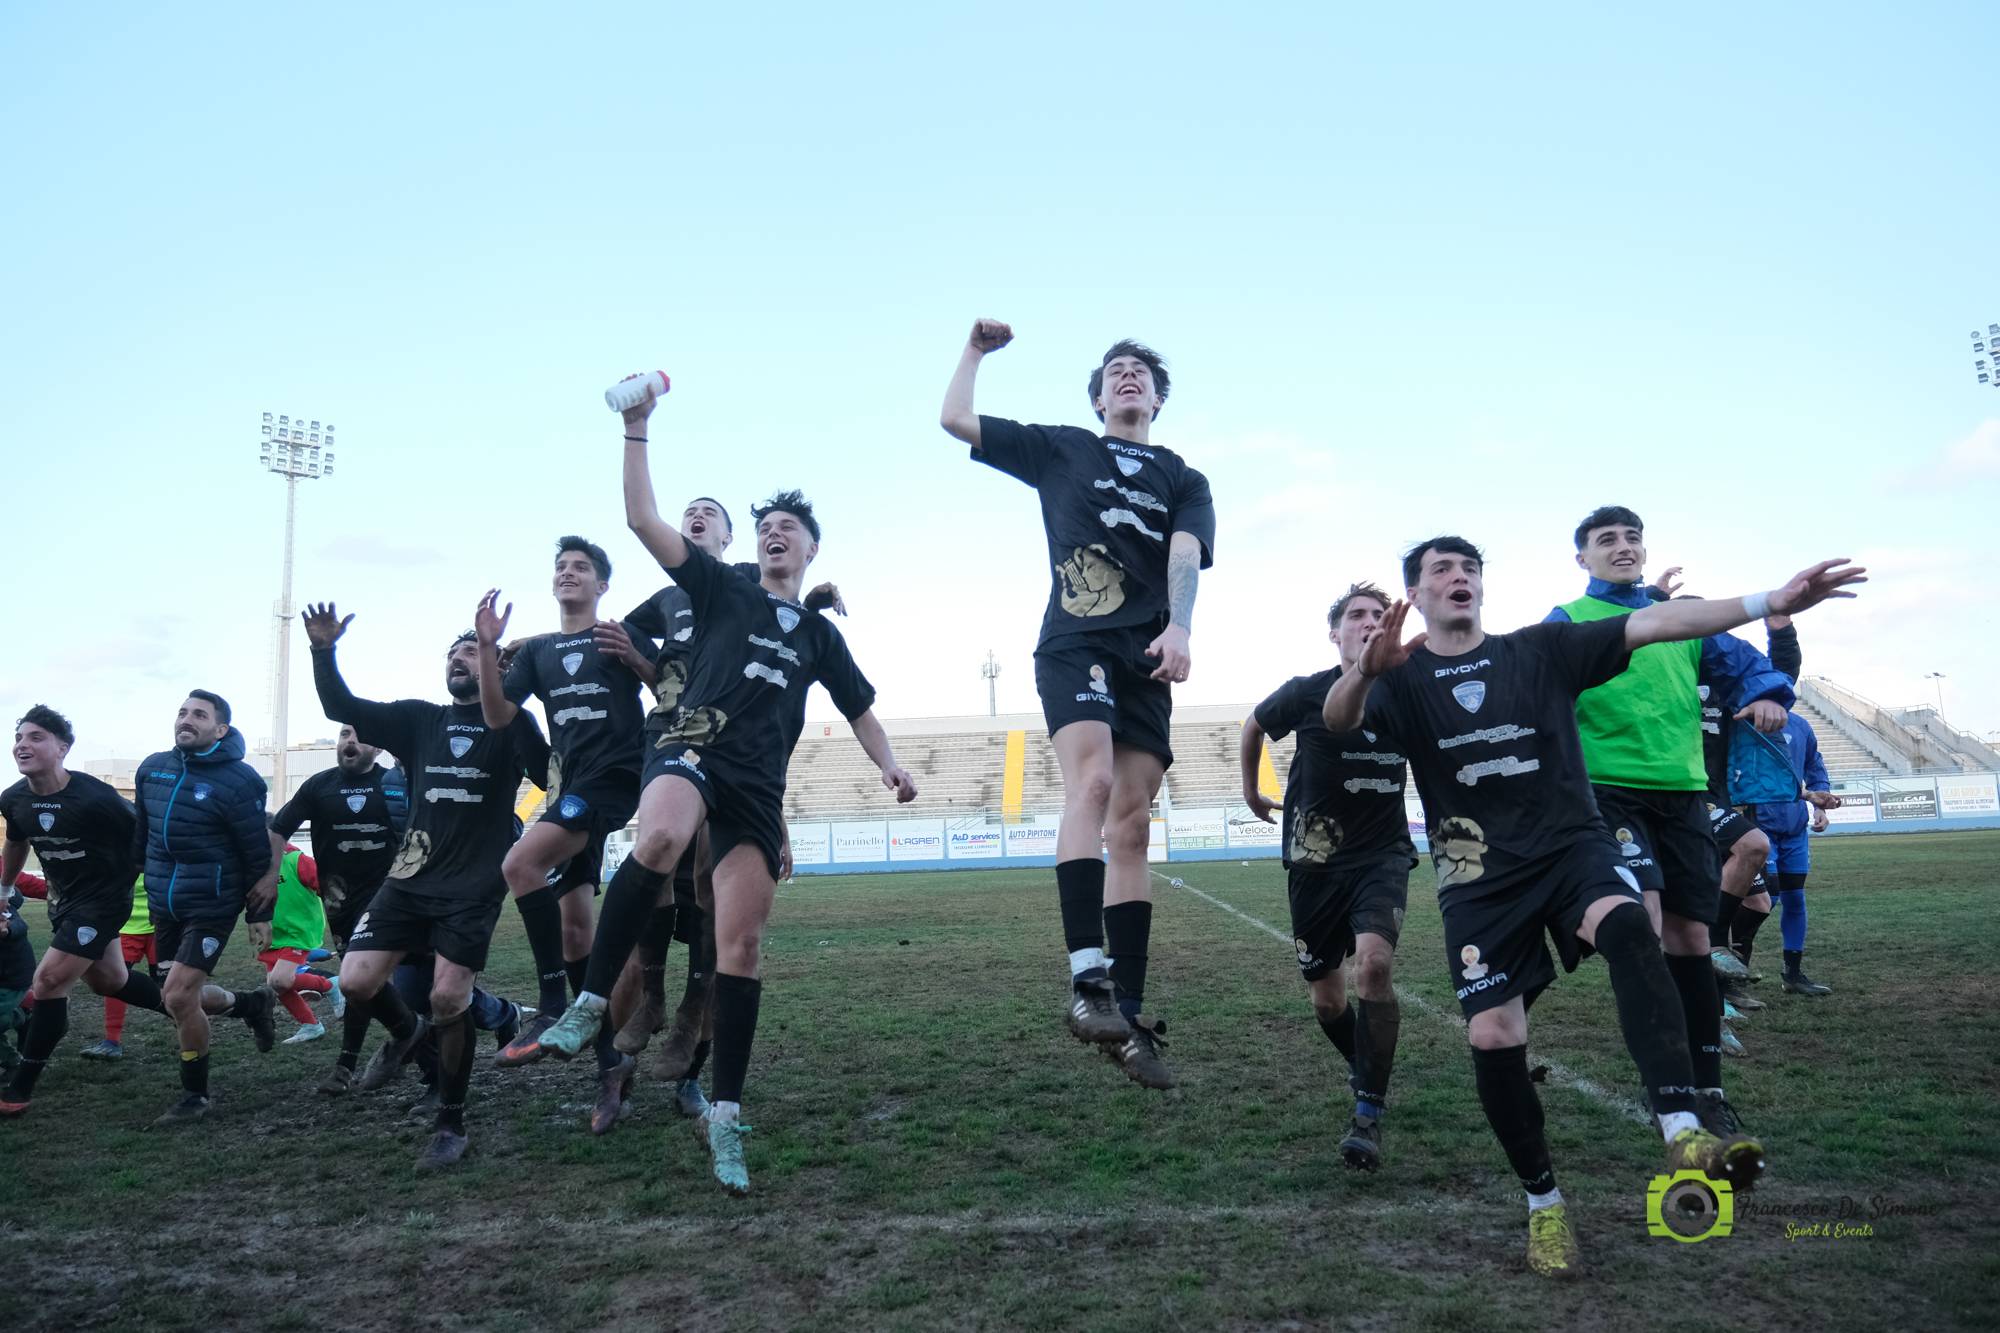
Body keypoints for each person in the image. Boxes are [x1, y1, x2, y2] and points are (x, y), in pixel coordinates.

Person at [1321, 537, 1865, 1278]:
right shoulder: (1399, 674)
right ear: (1415, 592)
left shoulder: (1540, 649)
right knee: (1492, 1033)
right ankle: (1544, 1205)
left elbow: (1654, 624)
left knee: (1630, 926)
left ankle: (1683, 1128)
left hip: (1571, 844)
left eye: (1470, 567)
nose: (1460, 577)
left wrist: (1769, 603)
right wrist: (1361, 669)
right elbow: (1341, 718)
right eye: (1442, 569)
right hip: (1478, 874)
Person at [531, 391, 917, 1198]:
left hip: (754, 788)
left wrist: (889, 765)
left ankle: (727, 1117)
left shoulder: (819, 634)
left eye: (792, 527)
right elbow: (642, 519)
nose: (777, 532)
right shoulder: (718, 589)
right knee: (662, 837)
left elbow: (860, 710)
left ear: (810, 548)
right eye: (767, 524)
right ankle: (588, 1005)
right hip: (689, 742)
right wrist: (636, 427)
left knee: (739, 948)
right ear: (756, 545)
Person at [941, 320, 1215, 1088]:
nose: (1127, 377)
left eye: (1141, 373)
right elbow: (955, 419)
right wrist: (975, 353)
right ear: (1097, 397)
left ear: (1157, 399)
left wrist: (1182, 627)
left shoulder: (1184, 477)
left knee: (1131, 822)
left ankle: (1127, 1016)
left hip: (1147, 658)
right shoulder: (1065, 446)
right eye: (1114, 372)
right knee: (1090, 786)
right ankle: (1086, 978)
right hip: (1076, 642)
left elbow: (1185, 553)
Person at [1543, 507, 1796, 1128]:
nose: (1623, 547)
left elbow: (1743, 665)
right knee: (1645, 925)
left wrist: (1766, 693)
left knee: (1689, 938)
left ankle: (1707, 1091)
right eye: (1607, 540)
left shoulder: (1680, 622)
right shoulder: (1568, 621)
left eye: (1632, 538)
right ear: (1583, 559)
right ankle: (1668, 1091)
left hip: (1684, 793)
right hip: (1607, 793)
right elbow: (1533, 690)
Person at [303, 607, 552, 1168]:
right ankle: (408, 1033)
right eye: (453, 654)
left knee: (447, 996)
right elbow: (341, 708)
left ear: (493, 666)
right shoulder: (419, 720)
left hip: (472, 886)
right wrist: (324, 650)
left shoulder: (511, 723)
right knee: (355, 978)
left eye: (472, 652)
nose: (459, 660)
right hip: (408, 879)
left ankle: (450, 1122)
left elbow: (548, 778)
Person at [1241, 582, 1415, 1171]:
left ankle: (1368, 1112)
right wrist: (1249, 790)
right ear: (1334, 633)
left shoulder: (1407, 693)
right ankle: (1362, 1063)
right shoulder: (1306, 692)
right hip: (1313, 864)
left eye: (1377, 614)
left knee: (1373, 965)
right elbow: (1253, 726)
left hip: (1382, 856)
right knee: (1325, 999)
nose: (1369, 621)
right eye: (1356, 615)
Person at [480, 538, 654, 1081]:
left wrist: (638, 659)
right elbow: (495, 715)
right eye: (561, 567)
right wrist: (488, 647)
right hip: (569, 790)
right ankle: (609, 1060)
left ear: (602, 585)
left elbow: (673, 692)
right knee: (575, 930)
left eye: (581, 567)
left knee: (518, 864)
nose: (568, 573)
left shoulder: (619, 634)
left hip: (616, 779)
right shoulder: (536, 652)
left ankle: (551, 1001)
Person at [128, 693, 282, 1126]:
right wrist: (135, 874)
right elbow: (142, 832)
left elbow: (255, 855)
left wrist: (258, 915)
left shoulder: (241, 781)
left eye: (199, 715)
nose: (187, 720)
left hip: (212, 905)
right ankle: (252, 1005)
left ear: (221, 730)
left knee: (177, 995)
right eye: (182, 712)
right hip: (163, 903)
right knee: (175, 997)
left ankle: (195, 1096)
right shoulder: (152, 767)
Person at [1733, 706, 1838, 995]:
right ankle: (1732, 969)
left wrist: (1821, 807)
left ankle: (1793, 975)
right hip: (1758, 824)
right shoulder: (1744, 720)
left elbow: (1815, 767)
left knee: (1795, 900)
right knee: (1768, 898)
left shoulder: (1801, 726)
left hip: (1794, 827)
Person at [255, 824, 341, 1042]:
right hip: (274, 934)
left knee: (280, 981)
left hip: (298, 930)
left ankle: (332, 985)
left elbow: (327, 887)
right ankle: (311, 1026)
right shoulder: (256, 865)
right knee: (277, 985)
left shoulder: (296, 859)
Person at [79, 881, 158, 1061]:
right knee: (116, 985)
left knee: (171, 987)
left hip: (163, 924)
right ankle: (112, 1041)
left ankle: (190, 1034)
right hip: (124, 926)